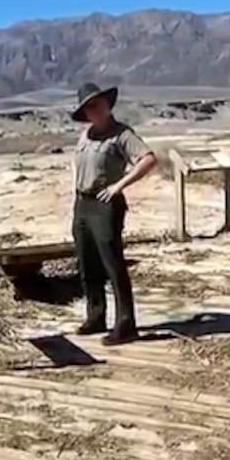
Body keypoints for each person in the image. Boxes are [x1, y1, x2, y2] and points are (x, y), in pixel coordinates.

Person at [69, 82, 157, 346]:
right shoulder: (86, 135)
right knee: (87, 263)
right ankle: (96, 316)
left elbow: (148, 158)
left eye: (97, 104)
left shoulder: (121, 134)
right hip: (82, 203)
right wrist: (75, 184)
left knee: (112, 263)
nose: (93, 110)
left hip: (105, 204)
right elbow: (76, 161)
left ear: (107, 105)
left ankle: (126, 324)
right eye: (88, 107)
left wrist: (119, 186)